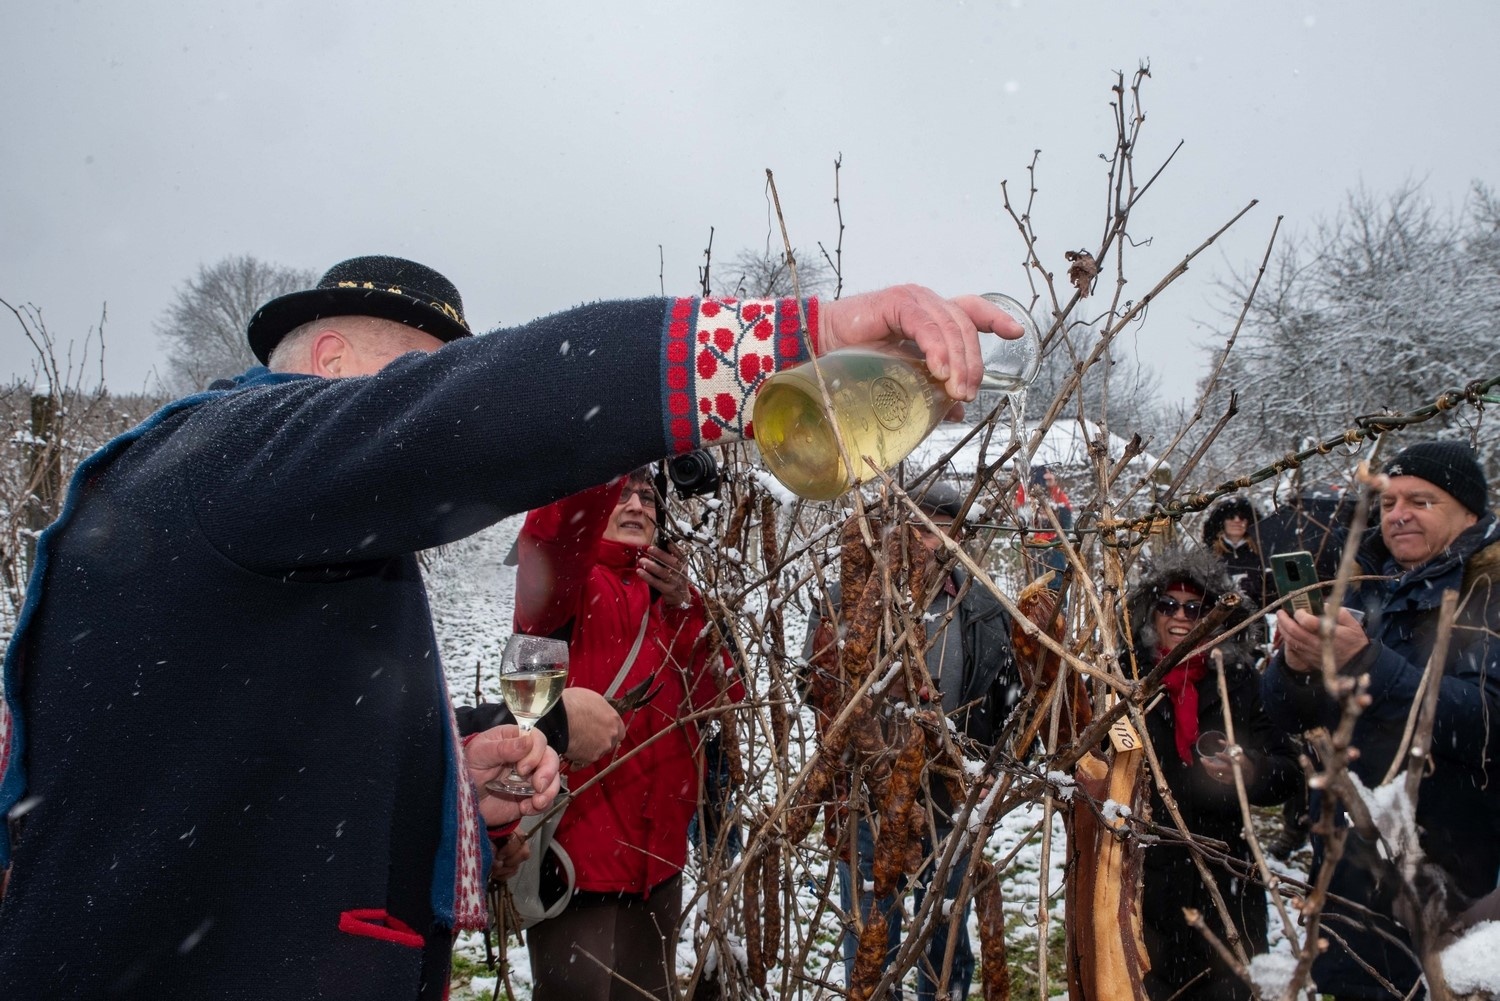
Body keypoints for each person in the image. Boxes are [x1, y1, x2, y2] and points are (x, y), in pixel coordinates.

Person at [0, 254, 1022, 999]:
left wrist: (450, 753)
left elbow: (237, 752)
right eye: (409, 383)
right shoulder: (226, 450)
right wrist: (790, 341)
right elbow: (482, 424)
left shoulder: (266, 529)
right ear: (325, 355)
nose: (415, 425)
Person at [1261, 440, 1500, 1000]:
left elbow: (1488, 723)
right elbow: (1289, 718)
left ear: (1470, 514)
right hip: (1344, 877)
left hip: (1452, 888)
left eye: (1421, 500)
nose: (1398, 515)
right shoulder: (1360, 582)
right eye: (1388, 503)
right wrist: (1295, 670)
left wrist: (1367, 663)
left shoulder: (1486, 597)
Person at [512, 466, 740, 1001]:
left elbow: (718, 700)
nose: (637, 506)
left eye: (648, 497)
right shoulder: (566, 585)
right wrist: (607, 447)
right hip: (579, 862)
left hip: (658, 864)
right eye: (622, 494)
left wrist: (687, 611)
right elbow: (552, 534)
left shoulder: (675, 600)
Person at [804, 481, 1020, 1001]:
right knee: (871, 937)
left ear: (961, 539)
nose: (929, 543)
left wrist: (993, 763)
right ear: (894, 531)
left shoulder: (984, 609)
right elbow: (818, 693)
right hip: (867, 802)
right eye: (919, 529)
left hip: (949, 800)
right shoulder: (846, 601)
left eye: (944, 532)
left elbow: (1009, 700)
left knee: (945, 931)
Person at [1126, 550, 1302, 1001]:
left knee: (1231, 988)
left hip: (1228, 873)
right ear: (1151, 613)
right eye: (1168, 605)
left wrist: (1250, 771)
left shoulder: (1239, 681)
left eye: (1196, 607)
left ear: (1217, 616)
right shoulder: (1127, 681)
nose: (1181, 616)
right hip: (1146, 874)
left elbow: (1288, 772)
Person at [1200, 494, 1269, 613]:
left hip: (1256, 620)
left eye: (1242, 517)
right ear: (1222, 522)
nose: (1237, 520)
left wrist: (1257, 591)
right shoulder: (1208, 555)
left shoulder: (1262, 553)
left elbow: (1272, 596)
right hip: (1219, 621)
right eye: (1231, 516)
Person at [1016, 464, 1073, 589]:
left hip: (1054, 543)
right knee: (1034, 584)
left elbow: (1066, 515)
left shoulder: (1055, 493)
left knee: (1056, 582)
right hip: (1034, 544)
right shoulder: (1025, 492)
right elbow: (1021, 516)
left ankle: (1058, 606)